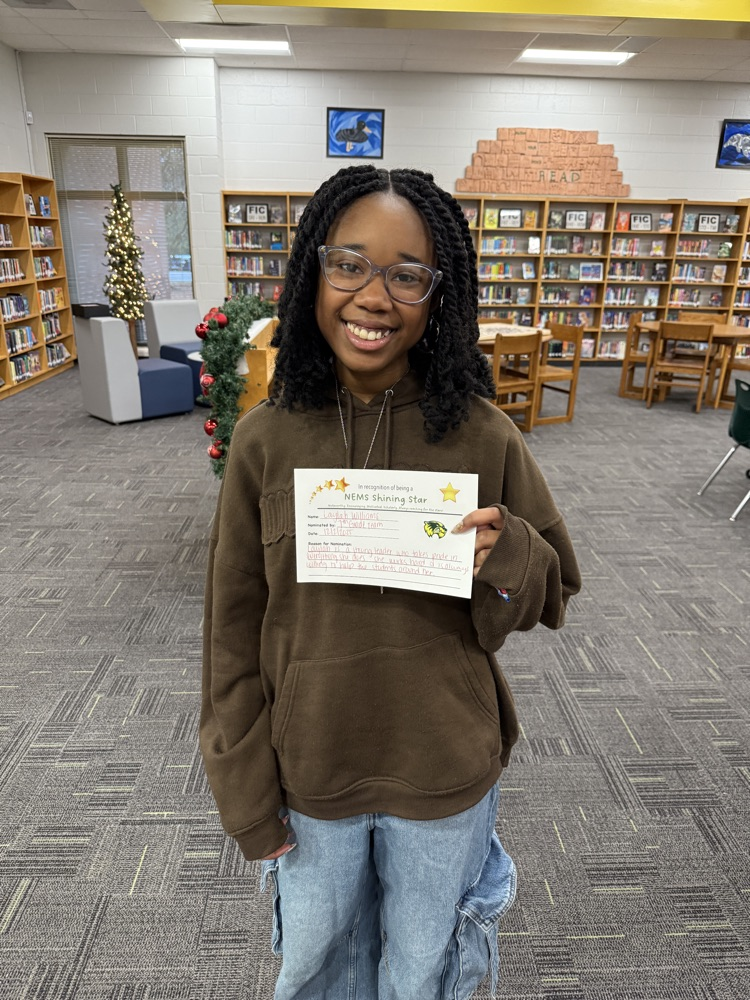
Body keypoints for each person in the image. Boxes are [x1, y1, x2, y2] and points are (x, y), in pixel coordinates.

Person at [200, 165, 581, 1000]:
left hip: (442, 767)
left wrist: (507, 552)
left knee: (424, 971)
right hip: (310, 771)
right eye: (350, 264)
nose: (375, 296)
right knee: (315, 968)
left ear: (436, 294)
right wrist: (244, 790)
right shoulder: (266, 439)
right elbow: (231, 631)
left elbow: (553, 590)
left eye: (407, 274)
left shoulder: (481, 433)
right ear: (313, 274)